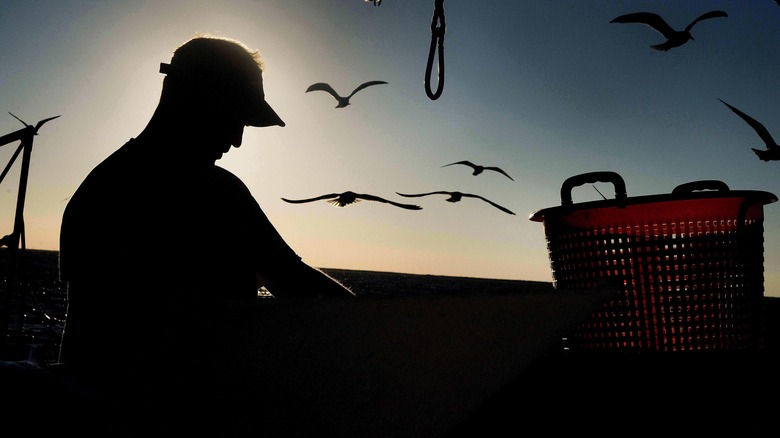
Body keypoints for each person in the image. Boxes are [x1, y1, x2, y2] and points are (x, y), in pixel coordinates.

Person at [56, 35, 355, 419]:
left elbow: (291, 280)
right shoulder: (120, 194)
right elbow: (94, 347)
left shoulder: (109, 189)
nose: (237, 139)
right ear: (189, 97)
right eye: (233, 116)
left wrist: (380, 332)